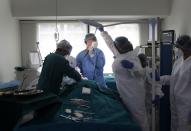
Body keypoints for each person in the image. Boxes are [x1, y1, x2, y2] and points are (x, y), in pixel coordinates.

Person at [98, 27, 149, 131]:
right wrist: (103, 32)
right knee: (130, 119)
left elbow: (142, 73)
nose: (115, 47)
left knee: (140, 118)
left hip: (134, 94)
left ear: (121, 47)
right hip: (125, 92)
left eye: (117, 46)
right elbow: (110, 44)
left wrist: (133, 67)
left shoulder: (132, 57)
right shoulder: (120, 54)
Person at [160, 35, 191, 131]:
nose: (176, 49)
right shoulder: (178, 61)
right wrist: (158, 79)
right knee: (174, 126)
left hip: (187, 105)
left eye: (178, 47)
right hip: (174, 102)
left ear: (186, 48)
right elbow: (174, 79)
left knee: (184, 127)